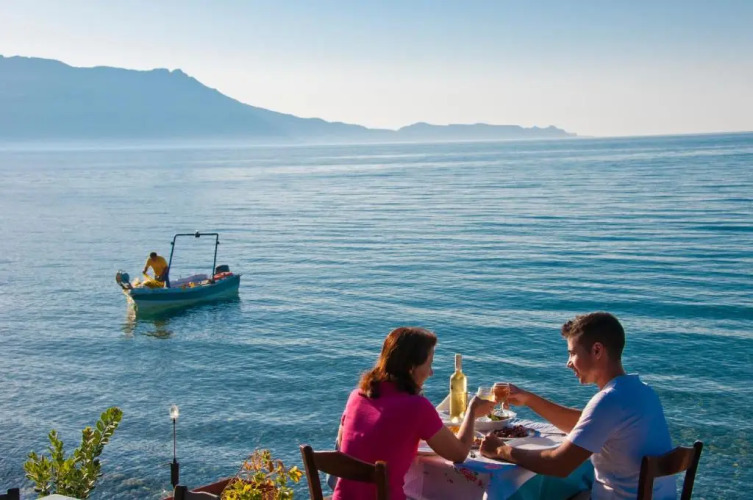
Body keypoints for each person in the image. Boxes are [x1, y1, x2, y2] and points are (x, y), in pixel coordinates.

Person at [480, 312, 675, 500]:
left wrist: (501, 451)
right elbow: (585, 424)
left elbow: (559, 464)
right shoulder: (642, 392)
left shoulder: (608, 400)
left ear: (597, 350)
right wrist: (529, 399)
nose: (568, 363)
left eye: (572, 353)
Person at [334, 326, 496, 500]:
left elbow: (343, 445)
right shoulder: (417, 406)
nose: (431, 372)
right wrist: (472, 411)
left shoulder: (356, 396)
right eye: (429, 364)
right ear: (411, 368)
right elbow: (459, 454)